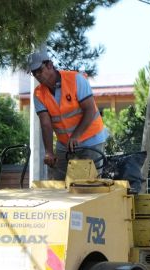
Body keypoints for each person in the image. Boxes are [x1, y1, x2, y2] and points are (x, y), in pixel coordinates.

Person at [28, 49, 108, 180]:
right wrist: (49, 151)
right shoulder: (38, 93)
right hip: (65, 144)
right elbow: (45, 124)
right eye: (34, 73)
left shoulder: (76, 79)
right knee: (60, 183)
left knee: (88, 184)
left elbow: (90, 110)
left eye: (39, 70)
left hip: (91, 139)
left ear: (50, 65)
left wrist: (76, 136)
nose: (37, 75)